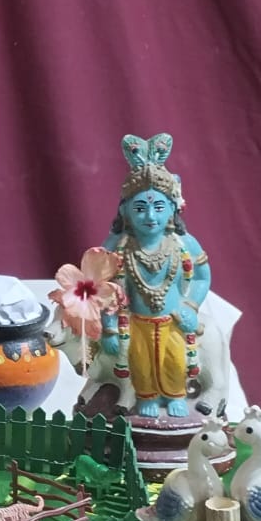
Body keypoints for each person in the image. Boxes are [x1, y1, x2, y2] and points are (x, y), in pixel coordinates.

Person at [100, 134, 211, 418]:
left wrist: (191, 306)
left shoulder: (184, 244)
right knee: (140, 363)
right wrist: (109, 326)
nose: (150, 216)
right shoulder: (121, 247)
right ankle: (147, 396)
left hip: (173, 320)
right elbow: (104, 286)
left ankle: (174, 395)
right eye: (140, 208)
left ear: (173, 208)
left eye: (158, 207)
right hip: (136, 322)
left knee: (175, 361)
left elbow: (201, 277)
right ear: (125, 211)